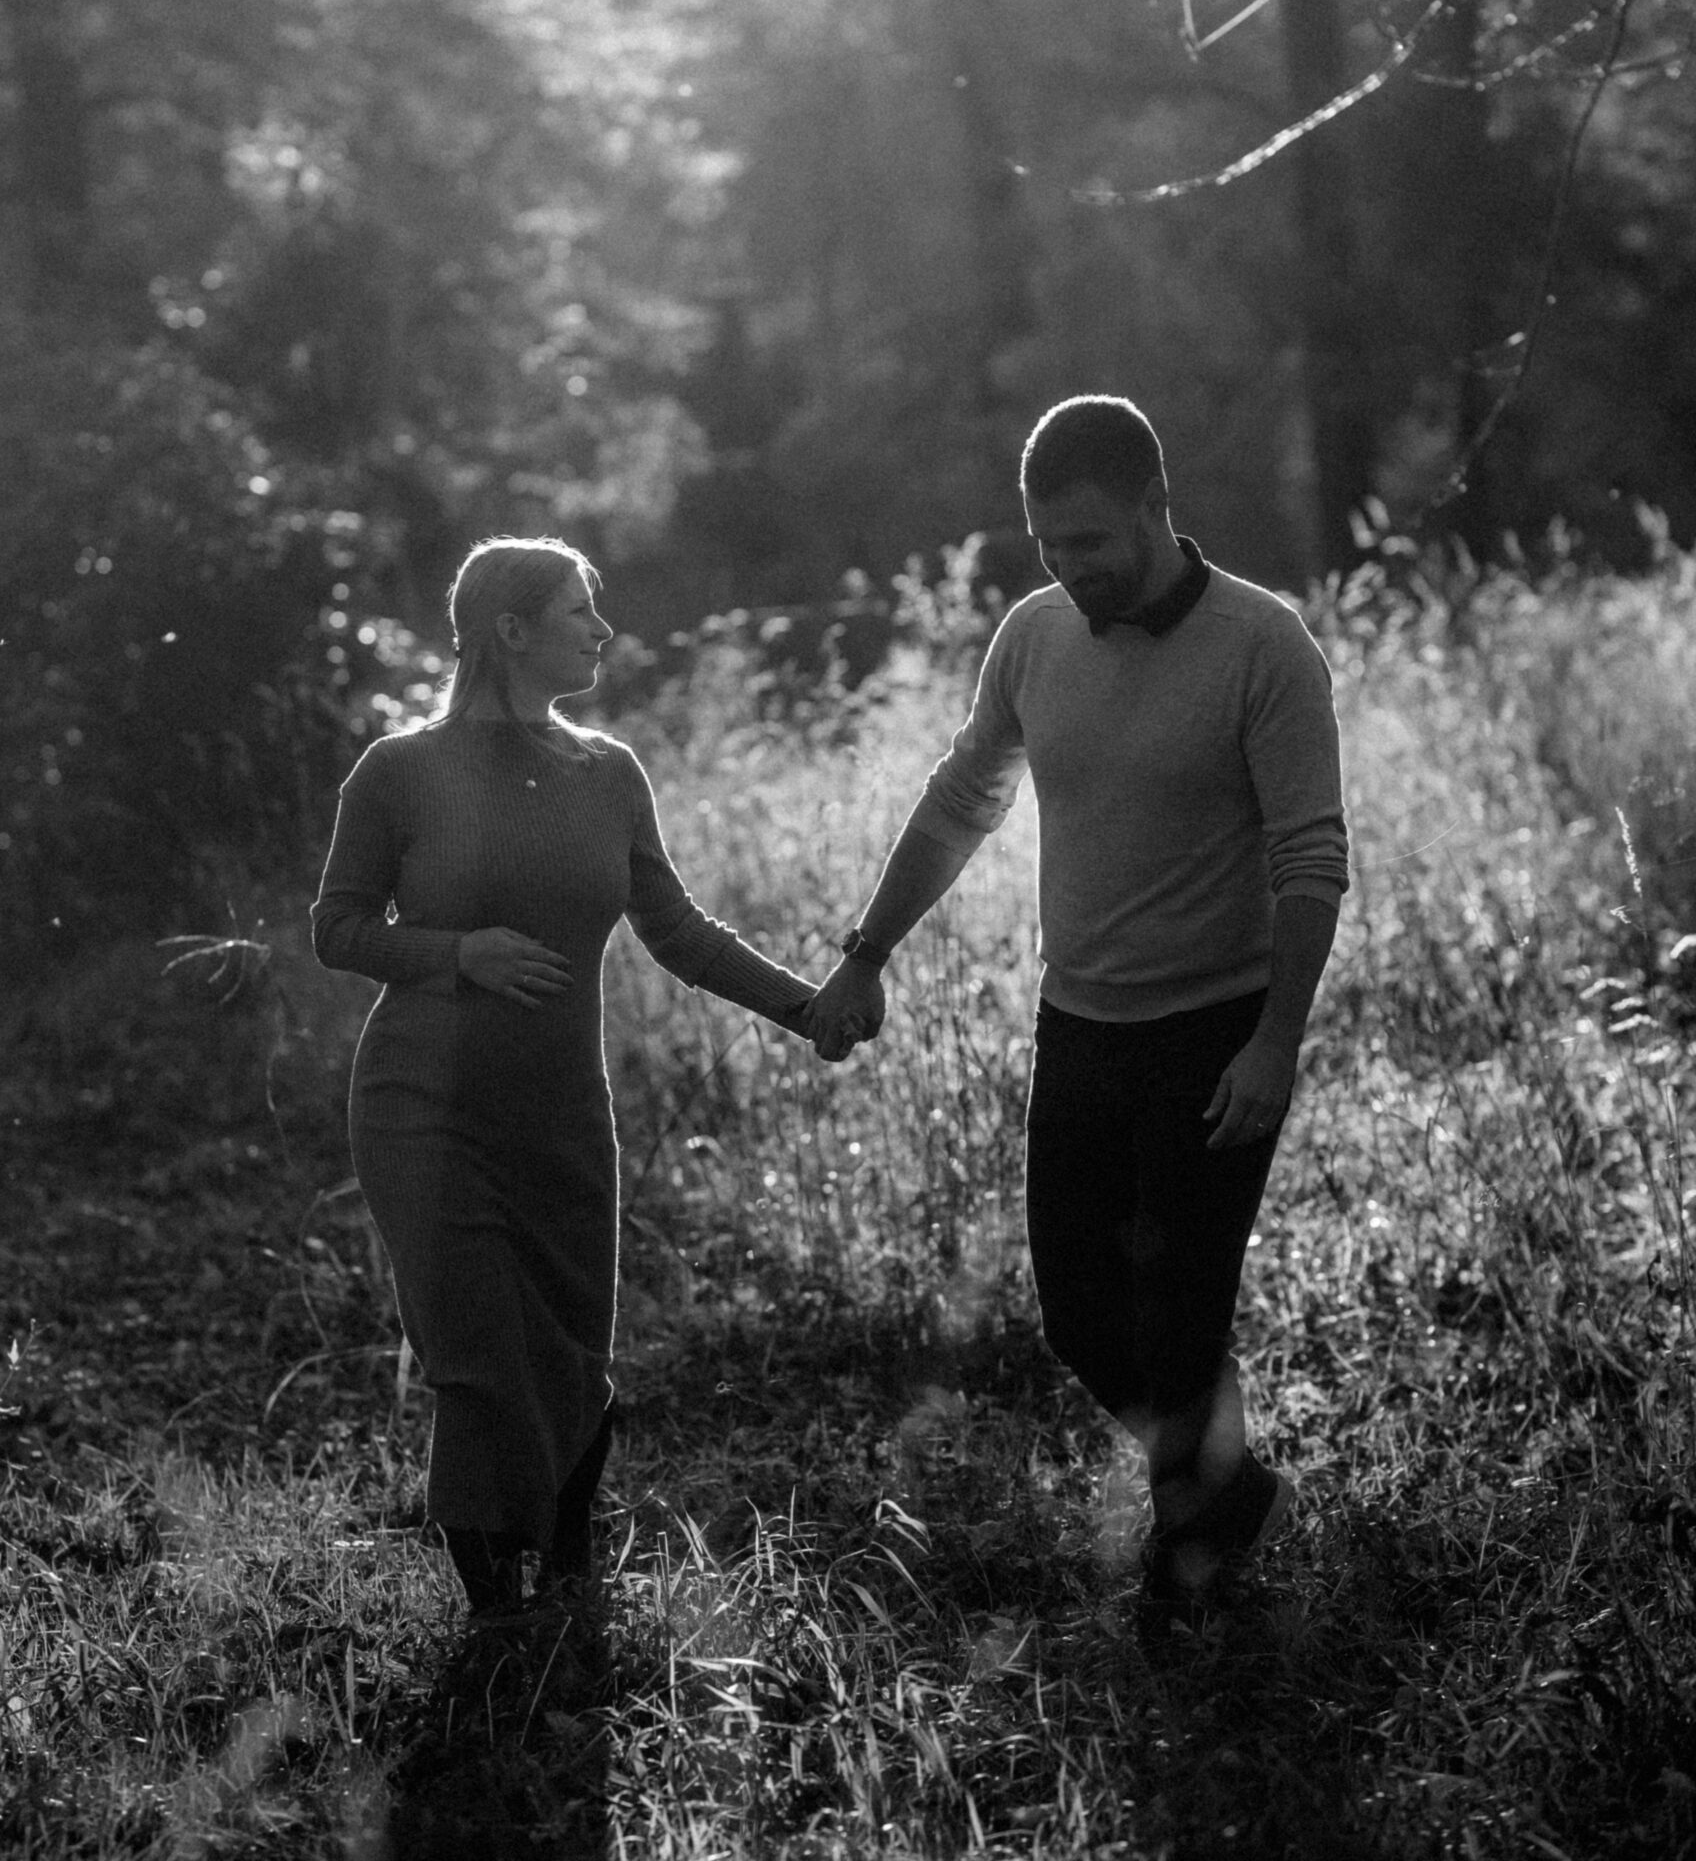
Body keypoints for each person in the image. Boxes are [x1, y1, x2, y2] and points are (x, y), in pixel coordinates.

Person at [804, 395, 1349, 1603]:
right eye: (1048, 542)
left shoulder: (1264, 645)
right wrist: (866, 951)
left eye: (1090, 540)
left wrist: (1274, 1043)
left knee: (1180, 1315)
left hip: (1216, 1028)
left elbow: (1310, 857)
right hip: (1081, 1025)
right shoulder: (1035, 633)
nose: (1067, 565)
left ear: (1157, 506)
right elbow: (962, 798)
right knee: (1078, 1315)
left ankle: (1189, 1566)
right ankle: (1229, 1492)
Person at [312, 536, 815, 1630]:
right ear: (510, 629)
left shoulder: (609, 773)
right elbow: (336, 928)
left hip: (562, 1114)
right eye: (581, 610)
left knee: (574, 1353)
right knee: (479, 1353)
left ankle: (572, 1579)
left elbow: (678, 931)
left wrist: (807, 1008)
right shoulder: (399, 771)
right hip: (422, 1109)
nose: (602, 628)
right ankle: (497, 1616)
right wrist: (458, 953)